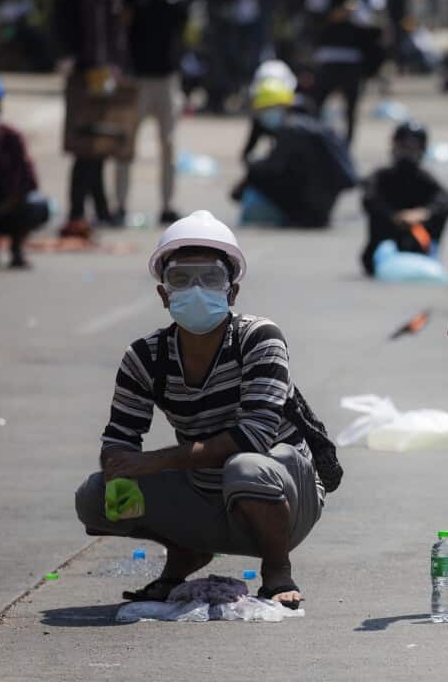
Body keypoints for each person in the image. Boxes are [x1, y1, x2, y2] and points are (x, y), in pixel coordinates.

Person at [74, 211, 340, 608]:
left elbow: (254, 435)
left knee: (245, 467)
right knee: (95, 497)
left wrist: (155, 462)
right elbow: (119, 437)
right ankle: (187, 551)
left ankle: (277, 568)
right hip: (206, 487)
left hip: (282, 487)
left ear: (231, 291)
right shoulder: (145, 357)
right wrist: (118, 465)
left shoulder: (258, 338)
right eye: (181, 278)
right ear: (163, 293)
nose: (196, 290)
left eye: (210, 278)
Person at [231, 80, 358, 228]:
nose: (264, 117)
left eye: (266, 110)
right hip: (321, 205)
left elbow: (273, 166)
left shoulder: (291, 130)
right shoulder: (308, 124)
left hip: (309, 208)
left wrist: (247, 177)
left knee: (257, 174)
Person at [115, 0, 190, 227]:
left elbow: (182, 25)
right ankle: (121, 206)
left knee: (168, 145)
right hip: (138, 80)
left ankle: (167, 206)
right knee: (126, 144)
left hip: (166, 79)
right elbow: (123, 26)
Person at [58, 0, 127, 238]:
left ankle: (99, 208)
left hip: (90, 71)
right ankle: (79, 211)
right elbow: (95, 33)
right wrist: (104, 71)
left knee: (97, 145)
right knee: (89, 144)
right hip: (95, 74)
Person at [0, 69, 48, 268]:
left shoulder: (11, 140)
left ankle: (16, 247)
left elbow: (28, 184)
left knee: (37, 205)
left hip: (6, 210)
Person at [360, 120, 448, 275]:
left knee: (440, 212)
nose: (407, 152)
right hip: (383, 252)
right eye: (403, 146)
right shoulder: (381, 177)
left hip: (419, 255)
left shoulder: (424, 179)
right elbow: (369, 200)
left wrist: (424, 213)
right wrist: (395, 216)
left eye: (413, 148)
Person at [306, 0, 386, 145]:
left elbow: (377, 18)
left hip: (354, 56)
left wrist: (358, 11)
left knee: (351, 108)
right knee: (316, 105)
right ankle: (315, 143)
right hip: (327, 56)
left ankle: (347, 146)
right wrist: (336, 14)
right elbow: (313, 19)